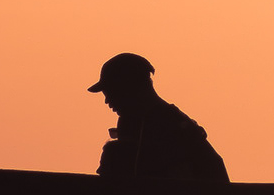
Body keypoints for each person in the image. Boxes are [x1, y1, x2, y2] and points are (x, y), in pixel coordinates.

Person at [90, 53, 229, 182]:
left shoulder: (171, 125)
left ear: (130, 87)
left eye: (111, 92)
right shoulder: (131, 122)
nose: (107, 101)